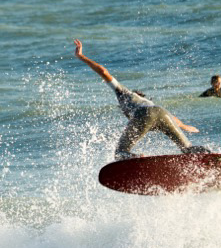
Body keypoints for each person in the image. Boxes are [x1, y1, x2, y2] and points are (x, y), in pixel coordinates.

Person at [73, 39, 207, 160]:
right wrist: (183, 126)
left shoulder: (124, 94)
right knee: (187, 149)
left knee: (120, 153)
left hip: (145, 115)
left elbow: (103, 72)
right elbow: (169, 116)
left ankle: (138, 158)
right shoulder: (151, 104)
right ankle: (207, 154)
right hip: (163, 113)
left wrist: (81, 57)